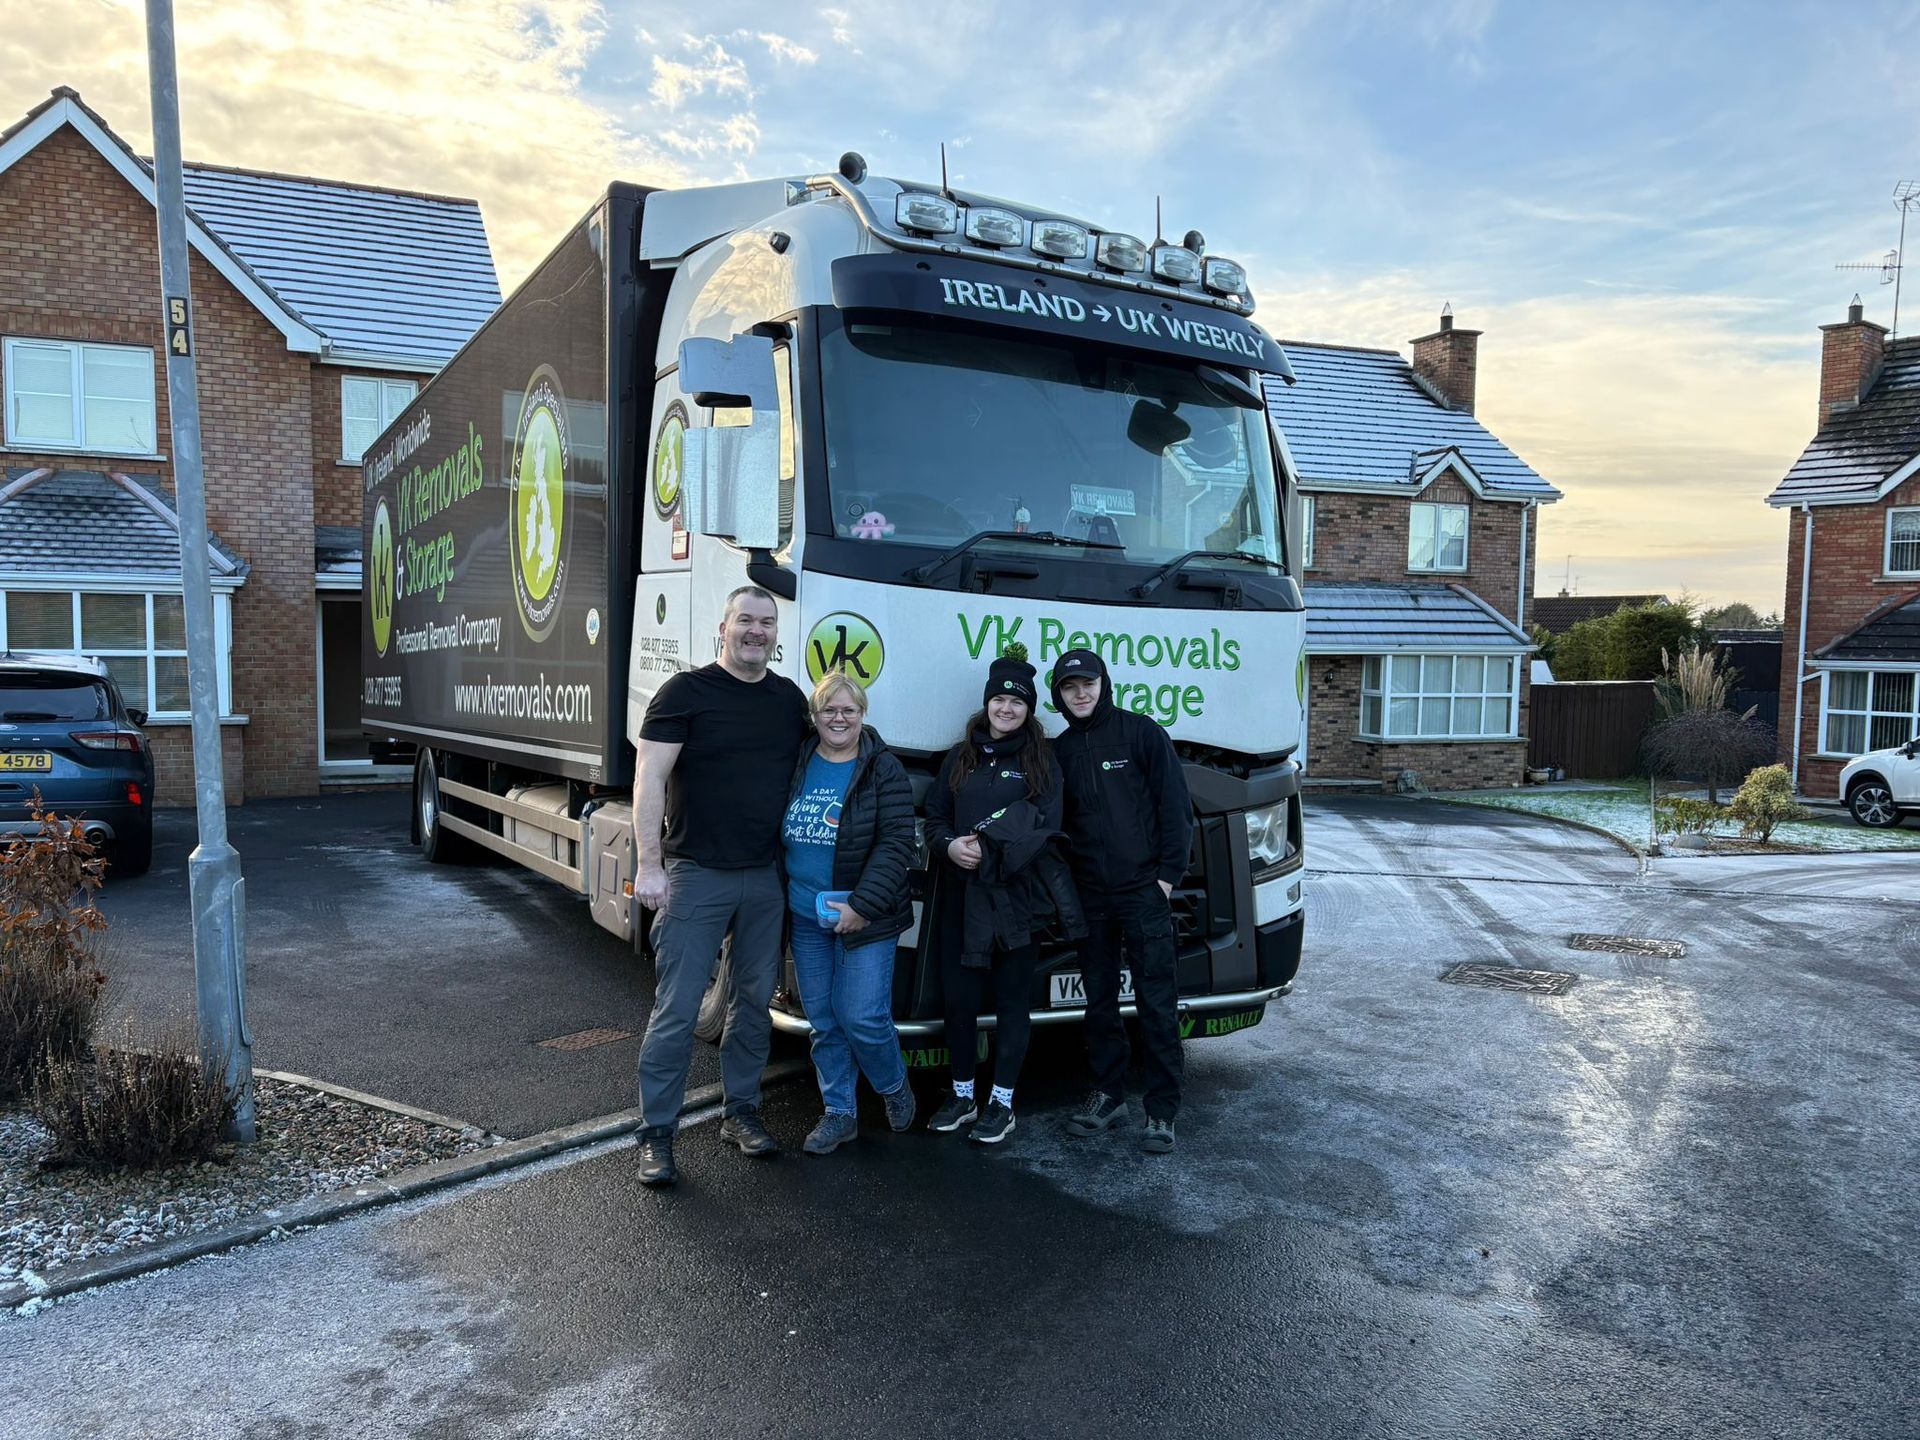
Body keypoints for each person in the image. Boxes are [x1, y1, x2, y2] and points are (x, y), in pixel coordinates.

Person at [631, 585, 810, 1187]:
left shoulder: (789, 701)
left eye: (766, 622)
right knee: (678, 1011)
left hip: (764, 879)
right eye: (745, 621)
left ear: (775, 633)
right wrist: (649, 866)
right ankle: (656, 1136)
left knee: (753, 1006)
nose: (756, 631)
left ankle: (741, 1115)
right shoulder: (685, 693)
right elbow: (648, 779)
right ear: (723, 626)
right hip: (694, 874)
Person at [923, 648, 1083, 1145]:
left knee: (1013, 1003)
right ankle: (964, 1095)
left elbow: (1045, 828)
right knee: (961, 1002)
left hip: (1017, 903)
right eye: (999, 700)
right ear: (987, 704)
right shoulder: (960, 756)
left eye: (1017, 702)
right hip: (962, 899)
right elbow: (934, 819)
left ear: (1029, 709)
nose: (1007, 709)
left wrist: (988, 849)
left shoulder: (1043, 761)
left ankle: (1003, 1103)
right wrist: (950, 846)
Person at [1050, 647, 1193, 1154]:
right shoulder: (1061, 751)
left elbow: (1176, 808)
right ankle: (1108, 1096)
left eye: (1087, 684)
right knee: (1100, 1002)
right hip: (1092, 897)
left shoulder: (1141, 733)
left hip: (1143, 892)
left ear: (1103, 684)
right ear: (1059, 697)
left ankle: (1161, 1110)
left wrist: (1166, 880)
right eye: (1069, 688)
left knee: (1156, 1001)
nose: (1080, 694)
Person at [782, 670, 919, 1154]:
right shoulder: (799, 759)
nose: (838, 719)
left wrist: (861, 905)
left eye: (849, 710)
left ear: (862, 714)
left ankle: (894, 1087)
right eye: (829, 710)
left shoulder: (883, 768)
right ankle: (840, 1112)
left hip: (868, 916)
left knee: (861, 1015)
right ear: (815, 716)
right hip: (807, 915)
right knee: (823, 1019)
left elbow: (897, 842)